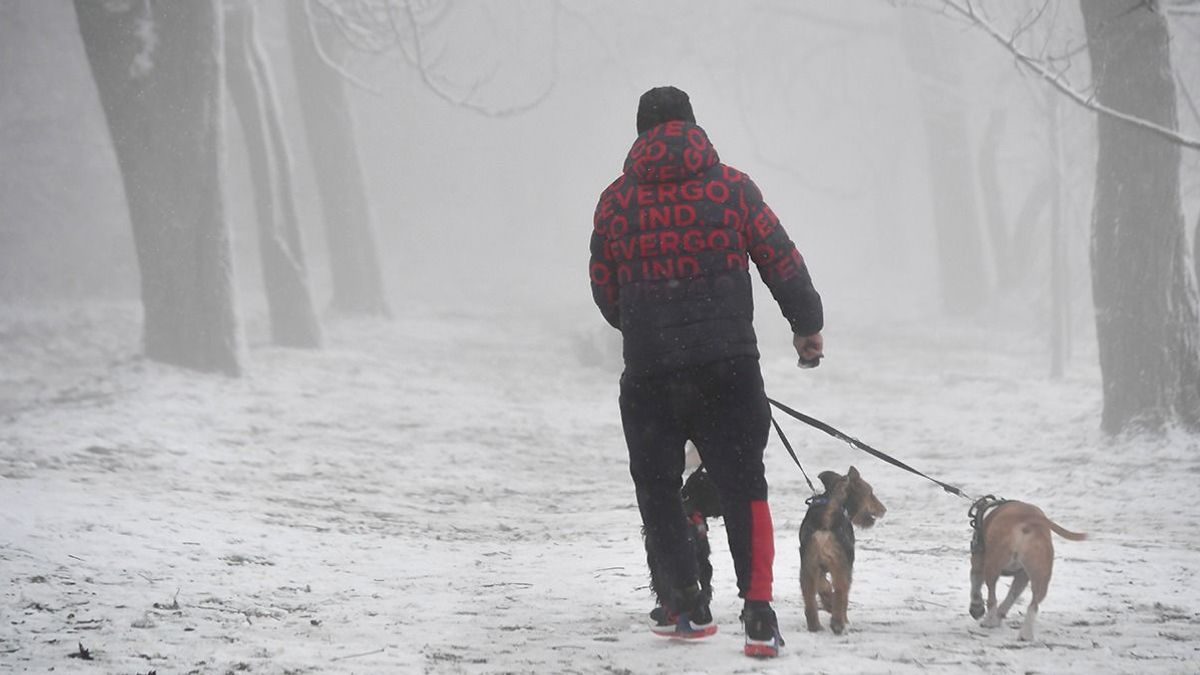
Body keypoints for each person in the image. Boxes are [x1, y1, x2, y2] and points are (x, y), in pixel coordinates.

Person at [588, 85, 824, 658]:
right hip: (730, 370)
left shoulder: (616, 202)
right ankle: (760, 616)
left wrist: (643, 327)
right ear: (693, 127)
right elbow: (780, 257)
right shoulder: (732, 188)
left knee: (658, 488)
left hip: (651, 374)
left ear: (641, 133)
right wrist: (806, 323)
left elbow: (603, 286)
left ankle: (684, 604)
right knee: (746, 488)